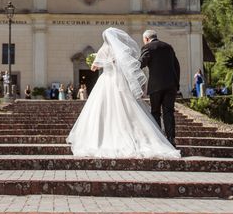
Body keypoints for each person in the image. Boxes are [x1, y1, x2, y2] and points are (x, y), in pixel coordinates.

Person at [67, 28, 180, 159]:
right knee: (164, 111)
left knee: (105, 109)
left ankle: (108, 137)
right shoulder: (124, 49)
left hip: (108, 81)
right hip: (131, 82)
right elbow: (175, 65)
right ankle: (167, 139)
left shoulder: (104, 49)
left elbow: (93, 68)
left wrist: (95, 61)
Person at [139, 29, 180, 147]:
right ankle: (171, 139)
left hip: (156, 86)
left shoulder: (148, 47)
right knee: (169, 112)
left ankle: (159, 140)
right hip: (171, 85)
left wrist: (129, 66)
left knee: (155, 112)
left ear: (146, 39)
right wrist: (176, 84)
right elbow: (176, 66)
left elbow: (141, 63)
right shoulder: (168, 47)